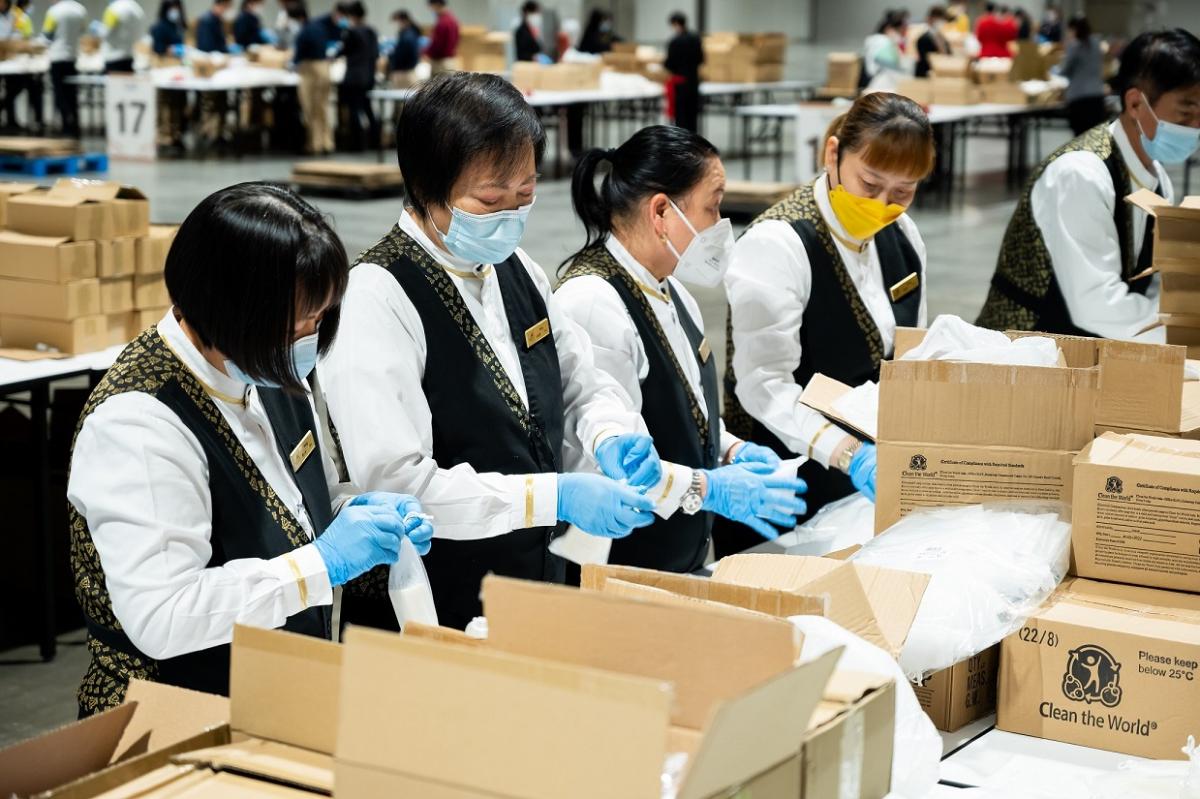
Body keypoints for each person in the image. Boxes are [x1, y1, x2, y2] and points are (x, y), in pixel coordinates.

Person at [67, 182, 435, 716]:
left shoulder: (263, 363)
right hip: (177, 716)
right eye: (297, 325)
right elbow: (164, 616)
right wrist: (321, 562)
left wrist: (354, 513)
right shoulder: (139, 423)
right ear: (230, 313)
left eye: (321, 318)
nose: (312, 337)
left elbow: (296, 500)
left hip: (277, 690)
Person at [319, 72, 665, 629]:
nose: (511, 214)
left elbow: (579, 381)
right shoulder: (376, 296)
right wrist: (553, 497)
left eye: (525, 194)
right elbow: (399, 484)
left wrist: (610, 435)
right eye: (490, 198)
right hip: (435, 602)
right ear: (428, 188)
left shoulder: (518, 270)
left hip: (529, 580)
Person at [555, 126, 808, 572]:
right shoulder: (593, 300)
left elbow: (685, 406)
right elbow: (616, 460)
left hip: (678, 557)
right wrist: (710, 489)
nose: (720, 223)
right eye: (712, 206)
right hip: (622, 564)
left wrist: (729, 448)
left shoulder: (672, 289)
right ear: (661, 212)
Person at [722, 92, 935, 556]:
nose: (883, 205)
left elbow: (908, 356)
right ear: (833, 154)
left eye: (903, 192)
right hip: (787, 483)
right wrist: (848, 454)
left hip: (869, 486)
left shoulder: (903, 236)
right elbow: (762, 385)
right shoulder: (778, 244)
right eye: (870, 183)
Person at [976, 29, 1200, 340]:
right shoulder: (1080, 174)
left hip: (1085, 353)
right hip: (1020, 353)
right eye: (1187, 112)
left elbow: (1150, 282)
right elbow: (1097, 304)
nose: (1196, 127)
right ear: (1135, 104)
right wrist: (1185, 327)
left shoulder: (1156, 176)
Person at [293, 4, 343, 154]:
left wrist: (291, 63)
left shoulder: (304, 31)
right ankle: (327, 143)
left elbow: (298, 55)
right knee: (323, 108)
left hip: (310, 69)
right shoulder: (320, 26)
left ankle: (314, 144)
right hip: (324, 67)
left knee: (310, 108)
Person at [337, 1, 379, 152]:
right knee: (368, 109)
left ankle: (357, 144)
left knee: (354, 110)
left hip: (354, 76)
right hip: (369, 75)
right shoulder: (372, 31)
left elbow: (343, 51)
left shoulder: (351, 32)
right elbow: (376, 54)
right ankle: (375, 141)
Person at [1056, 15, 1106, 135]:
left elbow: (1065, 70)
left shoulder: (1074, 46)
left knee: (1080, 138)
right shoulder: (1096, 43)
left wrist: (1055, 70)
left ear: (1073, 29)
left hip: (1079, 99)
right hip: (1097, 96)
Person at [42, 0, 86, 137]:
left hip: (57, 57)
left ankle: (66, 127)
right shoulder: (80, 9)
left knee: (60, 95)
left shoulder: (53, 12)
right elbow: (82, 30)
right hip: (72, 57)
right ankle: (75, 127)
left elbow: (47, 34)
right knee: (72, 95)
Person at [150, 0, 187, 152]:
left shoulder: (178, 26)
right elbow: (157, 49)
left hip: (177, 71)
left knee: (178, 104)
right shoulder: (160, 26)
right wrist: (170, 50)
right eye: (172, 7)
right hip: (164, 71)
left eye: (177, 7)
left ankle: (176, 135)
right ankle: (164, 137)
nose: (175, 11)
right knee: (165, 105)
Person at [664, 11, 702, 133]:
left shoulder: (675, 42)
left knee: (681, 118)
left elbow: (669, 64)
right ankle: (694, 143)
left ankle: (683, 145)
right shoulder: (696, 39)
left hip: (680, 84)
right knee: (692, 117)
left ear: (675, 23)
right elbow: (700, 59)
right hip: (693, 82)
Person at [97, 0, 145, 74]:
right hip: (129, 57)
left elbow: (105, 32)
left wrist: (97, 29)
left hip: (113, 58)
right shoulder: (137, 9)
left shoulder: (113, 9)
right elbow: (140, 33)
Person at [863, 11, 906, 90]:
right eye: (898, 31)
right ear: (889, 28)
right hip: (878, 76)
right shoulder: (883, 40)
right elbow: (883, 59)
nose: (899, 34)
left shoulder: (876, 39)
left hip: (875, 75)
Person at [915, 6, 951, 79]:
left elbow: (948, 54)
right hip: (926, 75)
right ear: (931, 18)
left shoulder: (942, 37)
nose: (941, 22)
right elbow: (926, 60)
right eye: (939, 19)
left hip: (941, 72)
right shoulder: (923, 38)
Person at [424, 0, 459, 75]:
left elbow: (438, 44)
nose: (431, 10)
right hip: (448, 60)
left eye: (431, 7)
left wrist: (427, 53)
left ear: (437, 4)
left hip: (441, 62)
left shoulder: (444, 22)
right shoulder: (451, 19)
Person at [388, 10, 421, 87]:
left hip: (403, 73)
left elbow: (402, 55)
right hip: (407, 71)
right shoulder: (411, 33)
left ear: (402, 20)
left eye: (396, 22)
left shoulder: (407, 36)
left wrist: (391, 57)